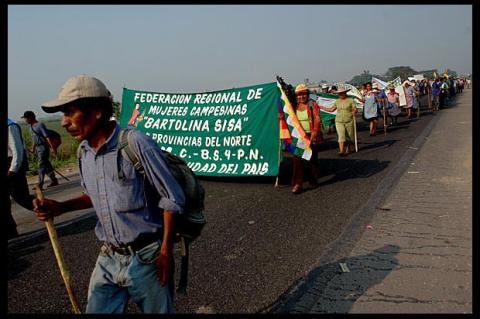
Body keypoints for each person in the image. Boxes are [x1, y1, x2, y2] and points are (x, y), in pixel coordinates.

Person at [32, 75, 186, 313]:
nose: (63, 123)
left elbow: (172, 198)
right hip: (109, 257)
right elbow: (95, 196)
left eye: (70, 112)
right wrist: (60, 207)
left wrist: (165, 251)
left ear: (97, 112)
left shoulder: (136, 144)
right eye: (63, 115)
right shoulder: (84, 153)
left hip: (147, 257)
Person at [290, 84, 322, 194]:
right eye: (299, 95)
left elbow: (317, 120)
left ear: (307, 95)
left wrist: (313, 135)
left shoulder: (313, 105)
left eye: (303, 94)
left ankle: (313, 180)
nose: (301, 97)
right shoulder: (293, 107)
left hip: (311, 135)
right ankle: (297, 184)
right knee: (297, 160)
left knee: (312, 160)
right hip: (298, 136)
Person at [7, 117, 35, 239]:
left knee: (20, 197)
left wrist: (13, 170)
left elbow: (17, 150)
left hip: (12, 166)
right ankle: (10, 231)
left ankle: (47, 209)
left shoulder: (10, 125)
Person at [21, 110, 58, 190]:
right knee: (46, 165)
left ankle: (40, 184)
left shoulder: (40, 125)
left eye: (26, 118)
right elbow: (34, 139)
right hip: (38, 148)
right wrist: (33, 149)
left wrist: (52, 148)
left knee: (41, 165)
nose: (25, 120)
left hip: (43, 147)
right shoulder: (30, 127)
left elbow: (47, 137)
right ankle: (54, 180)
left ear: (30, 118)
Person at [320, 85, 357, 156]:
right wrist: (322, 107)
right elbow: (331, 109)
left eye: (342, 93)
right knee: (341, 135)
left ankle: (348, 148)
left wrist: (354, 111)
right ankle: (341, 151)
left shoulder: (350, 100)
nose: (341, 95)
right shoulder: (337, 101)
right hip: (339, 121)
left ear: (345, 93)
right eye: (339, 93)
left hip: (349, 120)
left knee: (349, 136)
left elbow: (355, 109)